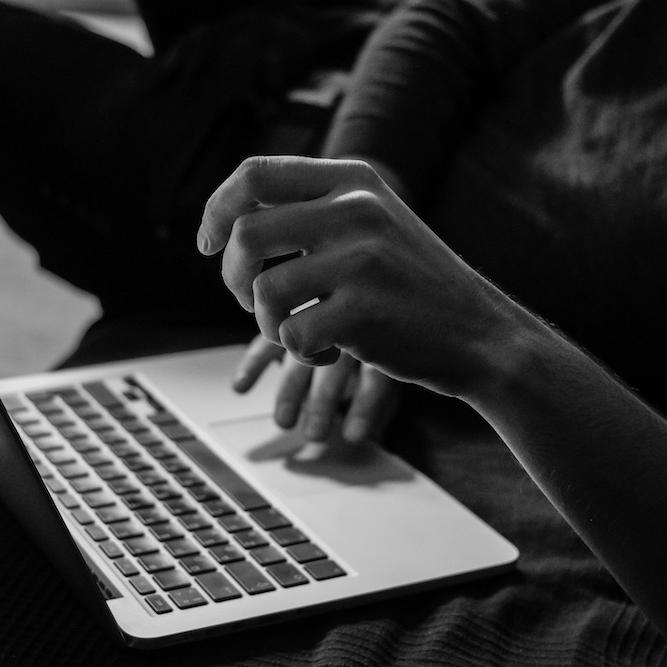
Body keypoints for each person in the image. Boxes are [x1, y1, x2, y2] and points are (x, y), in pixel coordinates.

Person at [200, 151, 667, 640]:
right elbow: (389, 127)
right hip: (396, 436)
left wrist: (493, 342)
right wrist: (337, 267)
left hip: (587, 555)